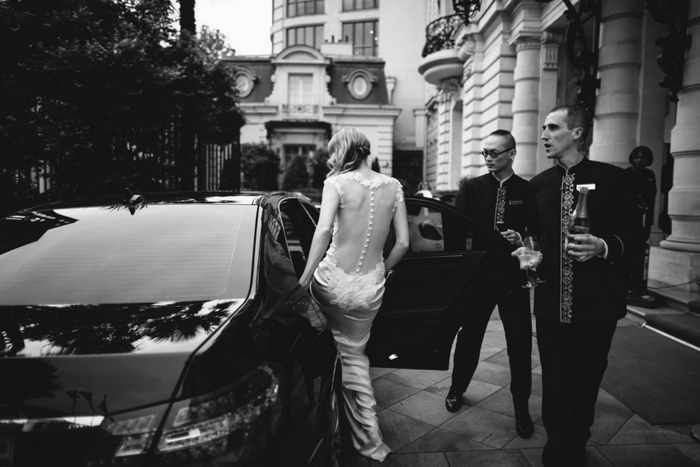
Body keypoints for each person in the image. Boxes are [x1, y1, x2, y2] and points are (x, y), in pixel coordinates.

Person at [523, 106, 641, 467]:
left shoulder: (614, 179)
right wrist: (528, 252)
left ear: (577, 133)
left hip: (596, 305)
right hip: (550, 304)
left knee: (587, 378)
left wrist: (603, 246)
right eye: (542, 128)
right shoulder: (538, 185)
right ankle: (557, 445)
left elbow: (634, 237)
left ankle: (577, 440)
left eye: (553, 127)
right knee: (555, 380)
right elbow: (533, 237)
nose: (543, 134)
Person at [298, 127, 410, 462]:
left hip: (331, 283)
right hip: (368, 290)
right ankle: (367, 439)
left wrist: (303, 281)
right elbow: (404, 243)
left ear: (343, 151)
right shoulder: (393, 186)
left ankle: (336, 423)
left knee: (328, 352)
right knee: (354, 358)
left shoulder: (335, 183)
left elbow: (321, 232)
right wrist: (382, 270)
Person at [445, 130, 534, 439]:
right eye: (485, 152)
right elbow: (454, 232)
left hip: (513, 279)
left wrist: (522, 238)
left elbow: (538, 232)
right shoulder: (471, 187)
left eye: (494, 153)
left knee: (520, 345)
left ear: (512, 153)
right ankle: (457, 388)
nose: (488, 158)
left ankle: (521, 407)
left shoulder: (526, 188)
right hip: (480, 278)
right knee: (469, 338)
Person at [625, 146, 657, 296]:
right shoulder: (627, 174)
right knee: (631, 252)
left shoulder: (650, 174)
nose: (639, 160)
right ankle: (628, 284)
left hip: (645, 219)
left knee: (641, 252)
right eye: (637, 157)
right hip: (630, 220)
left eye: (643, 157)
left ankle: (638, 285)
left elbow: (652, 196)